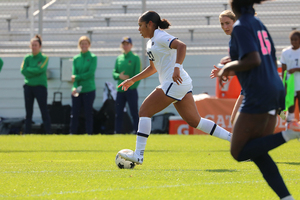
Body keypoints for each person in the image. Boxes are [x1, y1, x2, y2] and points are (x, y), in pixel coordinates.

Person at [118, 11, 232, 165]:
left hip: (174, 81)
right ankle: (233, 139)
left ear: (150, 24)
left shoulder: (160, 35)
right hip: (179, 82)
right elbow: (152, 68)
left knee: (144, 111)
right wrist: (132, 79)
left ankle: (138, 154)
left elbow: (181, 46)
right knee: (195, 121)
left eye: (140, 25)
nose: (139, 29)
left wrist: (177, 67)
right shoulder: (150, 42)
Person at [217, 1, 299, 199]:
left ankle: (291, 132)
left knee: (238, 151)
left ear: (234, 5)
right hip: (274, 87)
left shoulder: (241, 26)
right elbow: (267, 57)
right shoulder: (258, 23)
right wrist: (232, 65)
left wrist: (226, 69)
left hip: (258, 92)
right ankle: (286, 198)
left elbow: (254, 60)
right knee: (258, 152)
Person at [210, 10, 243, 125]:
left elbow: (244, 66)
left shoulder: (240, 38)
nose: (225, 27)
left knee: (238, 121)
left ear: (235, 22)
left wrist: (224, 72)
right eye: (222, 24)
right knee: (235, 120)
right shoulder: (234, 40)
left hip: (254, 85)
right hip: (247, 86)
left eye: (228, 23)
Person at [20, 35, 52, 134]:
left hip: (40, 87)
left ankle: (48, 133)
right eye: (32, 45)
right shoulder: (27, 57)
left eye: (36, 45)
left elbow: (41, 69)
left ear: (40, 46)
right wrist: (34, 71)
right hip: (28, 87)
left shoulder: (44, 57)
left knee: (44, 111)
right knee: (28, 112)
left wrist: (30, 69)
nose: (34, 47)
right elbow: (23, 70)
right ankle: (27, 133)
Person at [113, 37, 141, 133]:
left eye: (127, 44)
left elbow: (138, 74)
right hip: (120, 90)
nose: (125, 46)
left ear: (131, 45)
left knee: (134, 112)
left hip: (131, 90)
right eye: (124, 44)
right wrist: (119, 76)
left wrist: (131, 86)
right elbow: (114, 73)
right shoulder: (119, 58)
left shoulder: (135, 58)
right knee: (118, 113)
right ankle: (118, 132)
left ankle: (137, 131)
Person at [70, 36, 97, 135]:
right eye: (82, 44)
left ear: (89, 45)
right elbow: (74, 75)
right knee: (75, 113)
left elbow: (90, 73)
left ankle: (89, 132)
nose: (84, 46)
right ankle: (72, 133)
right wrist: (74, 87)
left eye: (86, 43)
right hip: (78, 90)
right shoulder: (76, 58)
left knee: (88, 112)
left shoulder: (93, 57)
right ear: (79, 45)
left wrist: (77, 77)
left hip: (89, 89)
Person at [280, 30, 300, 125]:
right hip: (291, 83)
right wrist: (284, 84)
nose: (294, 42)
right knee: (290, 106)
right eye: (292, 40)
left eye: (296, 40)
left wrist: (296, 69)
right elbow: (284, 70)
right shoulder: (285, 52)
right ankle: (289, 129)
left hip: (299, 82)